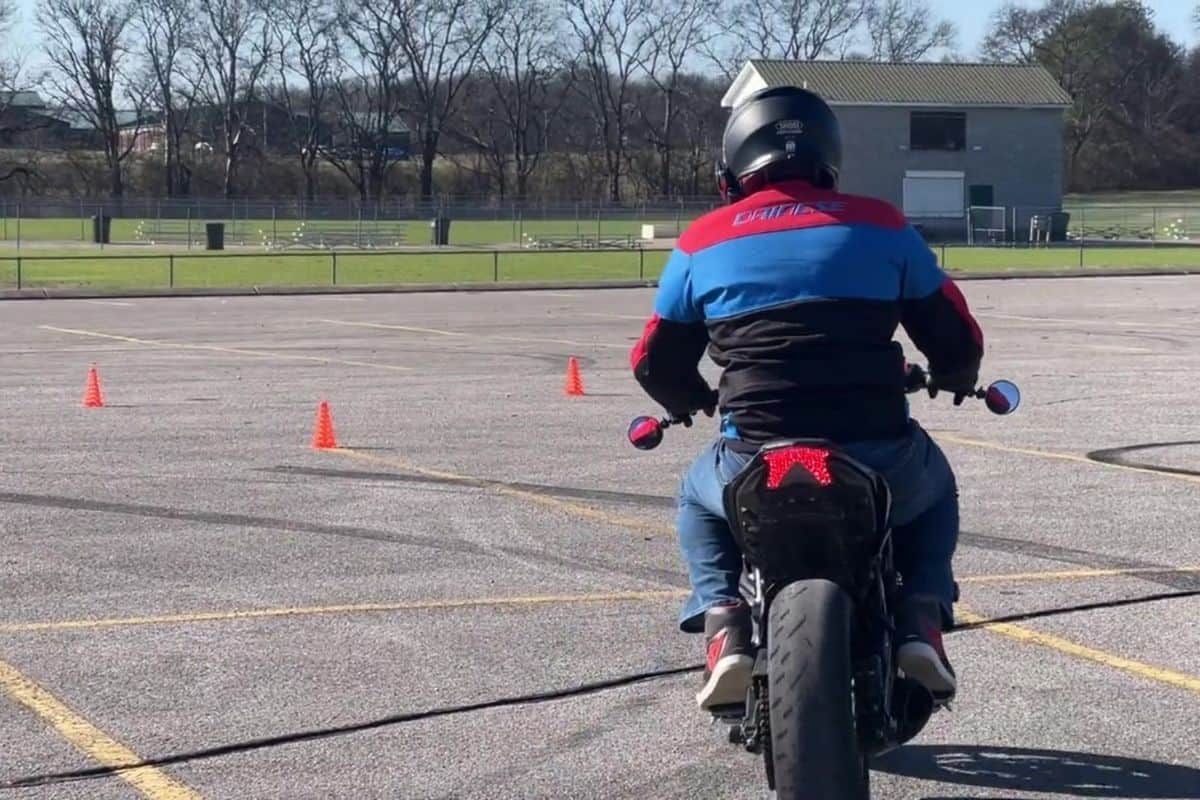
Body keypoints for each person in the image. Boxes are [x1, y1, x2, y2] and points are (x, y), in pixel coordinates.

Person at [629, 86, 984, 712]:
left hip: (755, 450)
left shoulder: (700, 241)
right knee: (935, 489)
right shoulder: (883, 224)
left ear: (733, 168)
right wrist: (955, 374)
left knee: (696, 496)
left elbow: (655, 359)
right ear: (828, 157)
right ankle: (921, 615)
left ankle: (724, 622)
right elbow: (954, 331)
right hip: (876, 449)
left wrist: (690, 398)